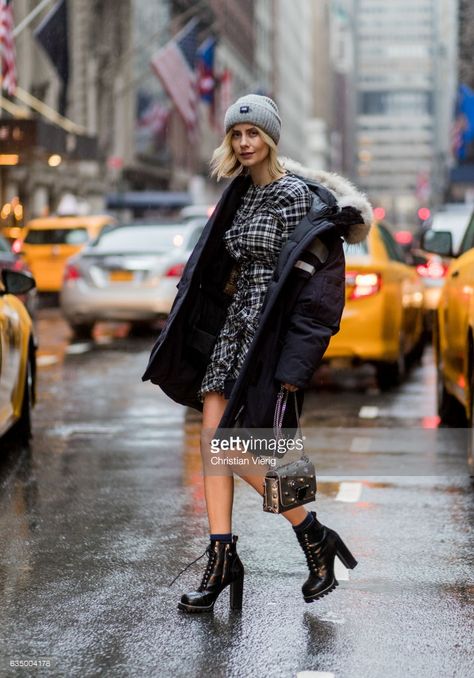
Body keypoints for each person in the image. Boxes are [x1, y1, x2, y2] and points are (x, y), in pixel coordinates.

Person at [142, 94, 372, 614]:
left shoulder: (296, 199)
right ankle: (223, 559)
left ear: (271, 138)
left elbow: (318, 300)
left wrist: (295, 365)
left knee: (244, 448)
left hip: (268, 335)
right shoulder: (241, 194)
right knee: (212, 442)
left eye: (253, 134)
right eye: (236, 135)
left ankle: (313, 534)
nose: (244, 144)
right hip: (232, 331)